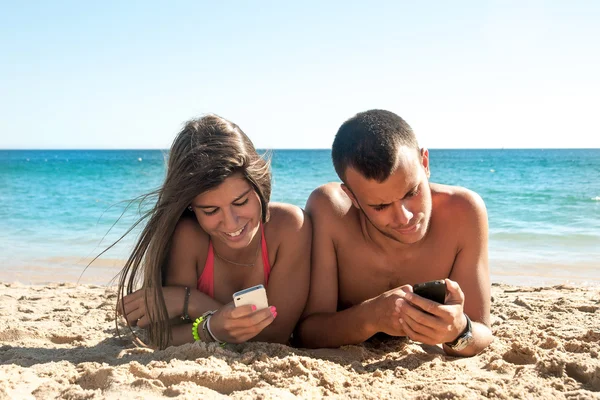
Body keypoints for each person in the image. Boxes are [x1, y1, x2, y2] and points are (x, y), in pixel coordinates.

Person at [295, 109, 493, 356]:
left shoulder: (463, 212)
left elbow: (482, 330)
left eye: (412, 193)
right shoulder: (331, 212)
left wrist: (458, 331)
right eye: (380, 206)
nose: (405, 217)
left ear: (425, 163)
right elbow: (308, 333)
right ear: (352, 197)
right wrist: (372, 317)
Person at [117, 114, 311, 350]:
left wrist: (191, 302)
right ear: (190, 207)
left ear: (261, 185)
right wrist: (209, 327)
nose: (230, 223)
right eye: (210, 210)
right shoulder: (189, 237)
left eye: (240, 202)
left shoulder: (289, 227)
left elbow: (276, 336)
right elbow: (160, 336)